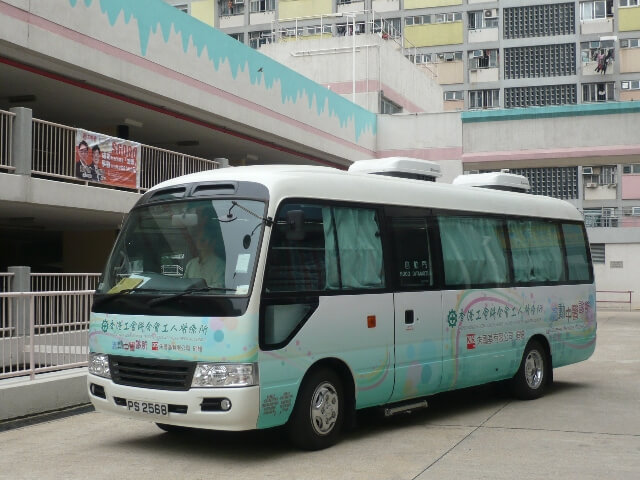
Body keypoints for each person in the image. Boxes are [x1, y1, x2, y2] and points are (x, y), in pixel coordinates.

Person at [184, 217, 226, 288]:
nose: (200, 241)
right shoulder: (191, 264)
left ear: (213, 241)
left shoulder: (220, 265)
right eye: (198, 238)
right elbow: (183, 285)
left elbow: (219, 287)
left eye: (204, 238)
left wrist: (197, 290)